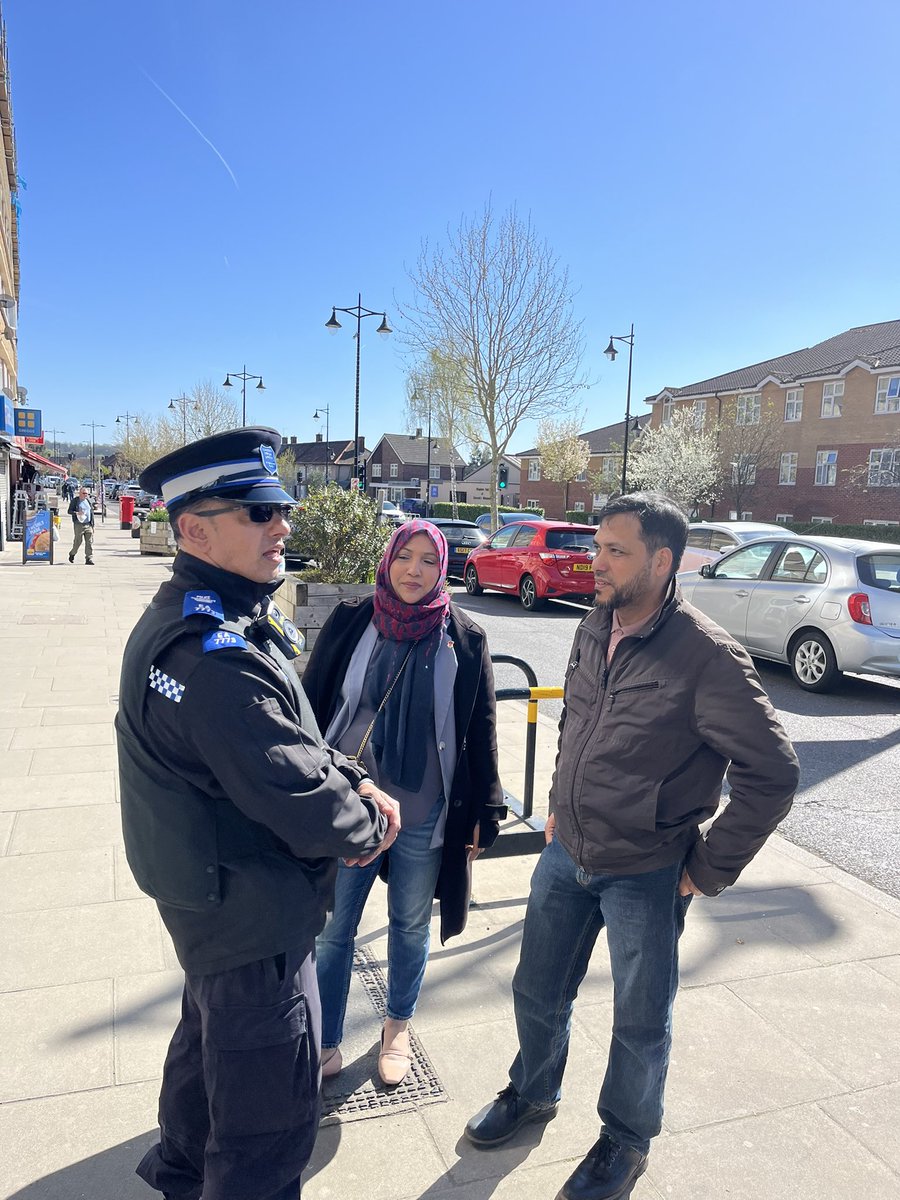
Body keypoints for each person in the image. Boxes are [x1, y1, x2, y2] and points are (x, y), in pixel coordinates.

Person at [464, 492, 799, 1200]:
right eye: (598, 547)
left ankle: (625, 1140)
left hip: (647, 868)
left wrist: (707, 869)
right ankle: (533, 1091)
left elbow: (772, 772)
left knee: (640, 1020)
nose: (597, 563)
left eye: (615, 551)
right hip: (567, 852)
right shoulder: (594, 623)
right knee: (536, 989)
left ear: (662, 560)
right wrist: (558, 804)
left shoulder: (708, 656)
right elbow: (576, 721)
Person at [115, 428, 399, 1200]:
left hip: (219, 909)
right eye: (256, 512)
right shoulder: (211, 654)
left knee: (208, 1067)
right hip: (254, 917)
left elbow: (291, 740)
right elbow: (297, 793)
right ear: (193, 529)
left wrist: (352, 777)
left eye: (281, 508)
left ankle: (181, 1177)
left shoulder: (213, 620)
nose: (281, 523)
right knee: (265, 1136)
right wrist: (369, 823)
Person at [303, 519, 506, 1086]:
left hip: (423, 811)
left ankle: (397, 1026)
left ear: (443, 569)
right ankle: (325, 1037)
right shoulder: (352, 620)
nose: (414, 570)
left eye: (428, 560)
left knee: (410, 924)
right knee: (332, 928)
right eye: (404, 557)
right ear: (388, 559)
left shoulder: (464, 638)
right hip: (350, 807)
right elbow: (313, 705)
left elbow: (482, 729)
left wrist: (485, 811)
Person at [68, 486, 94, 565]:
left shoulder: (88, 501)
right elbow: (69, 511)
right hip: (79, 524)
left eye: (87, 493)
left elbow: (91, 513)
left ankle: (89, 558)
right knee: (78, 541)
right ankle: (72, 553)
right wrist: (76, 513)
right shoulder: (75, 501)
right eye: (84, 493)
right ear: (80, 493)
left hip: (88, 524)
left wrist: (92, 525)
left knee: (89, 542)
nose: (86, 495)